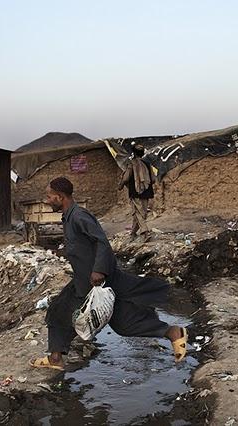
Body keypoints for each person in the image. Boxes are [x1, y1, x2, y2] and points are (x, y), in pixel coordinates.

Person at [30, 177, 187, 371]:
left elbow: (101, 242)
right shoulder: (69, 216)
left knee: (115, 323)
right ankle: (55, 358)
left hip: (97, 280)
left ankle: (172, 332)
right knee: (62, 312)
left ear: (60, 197)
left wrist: (99, 270)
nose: (46, 200)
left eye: (49, 197)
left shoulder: (79, 216)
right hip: (84, 281)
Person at [118, 144, 155, 242]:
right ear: (143, 153)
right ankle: (133, 233)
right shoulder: (148, 163)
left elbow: (125, 178)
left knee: (139, 213)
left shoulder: (131, 163)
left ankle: (145, 232)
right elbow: (153, 179)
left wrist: (121, 185)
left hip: (135, 192)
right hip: (146, 192)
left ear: (133, 153)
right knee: (141, 214)